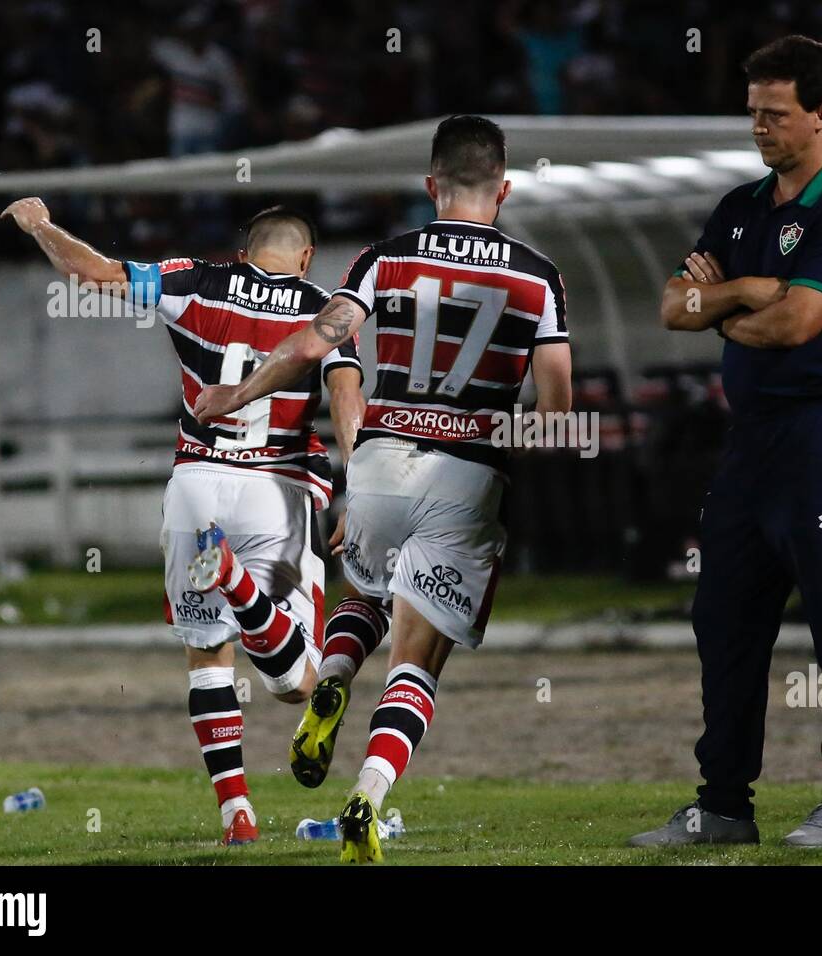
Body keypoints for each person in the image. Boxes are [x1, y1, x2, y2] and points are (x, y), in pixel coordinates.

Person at [194, 115, 573, 863]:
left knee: (365, 592)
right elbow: (556, 407)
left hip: (377, 459)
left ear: (431, 186)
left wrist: (235, 397)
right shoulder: (537, 275)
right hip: (467, 470)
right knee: (417, 658)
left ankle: (332, 677)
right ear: (503, 188)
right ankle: (365, 798)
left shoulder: (381, 257)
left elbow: (314, 344)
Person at [0, 200, 365, 846]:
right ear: (306, 257)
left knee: (207, 655)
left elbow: (97, 275)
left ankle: (237, 815)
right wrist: (357, 481)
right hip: (278, 488)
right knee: (296, 682)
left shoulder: (192, 278)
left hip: (195, 486)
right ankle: (242, 586)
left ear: (245, 250)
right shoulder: (327, 308)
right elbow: (343, 392)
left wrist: (40, 226)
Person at [629, 35, 822, 849]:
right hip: (752, 443)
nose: (760, 129)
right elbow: (673, 308)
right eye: (753, 114)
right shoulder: (740, 206)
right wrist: (744, 290)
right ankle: (725, 805)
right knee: (725, 618)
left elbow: (797, 324)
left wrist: (723, 307)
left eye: (776, 115)